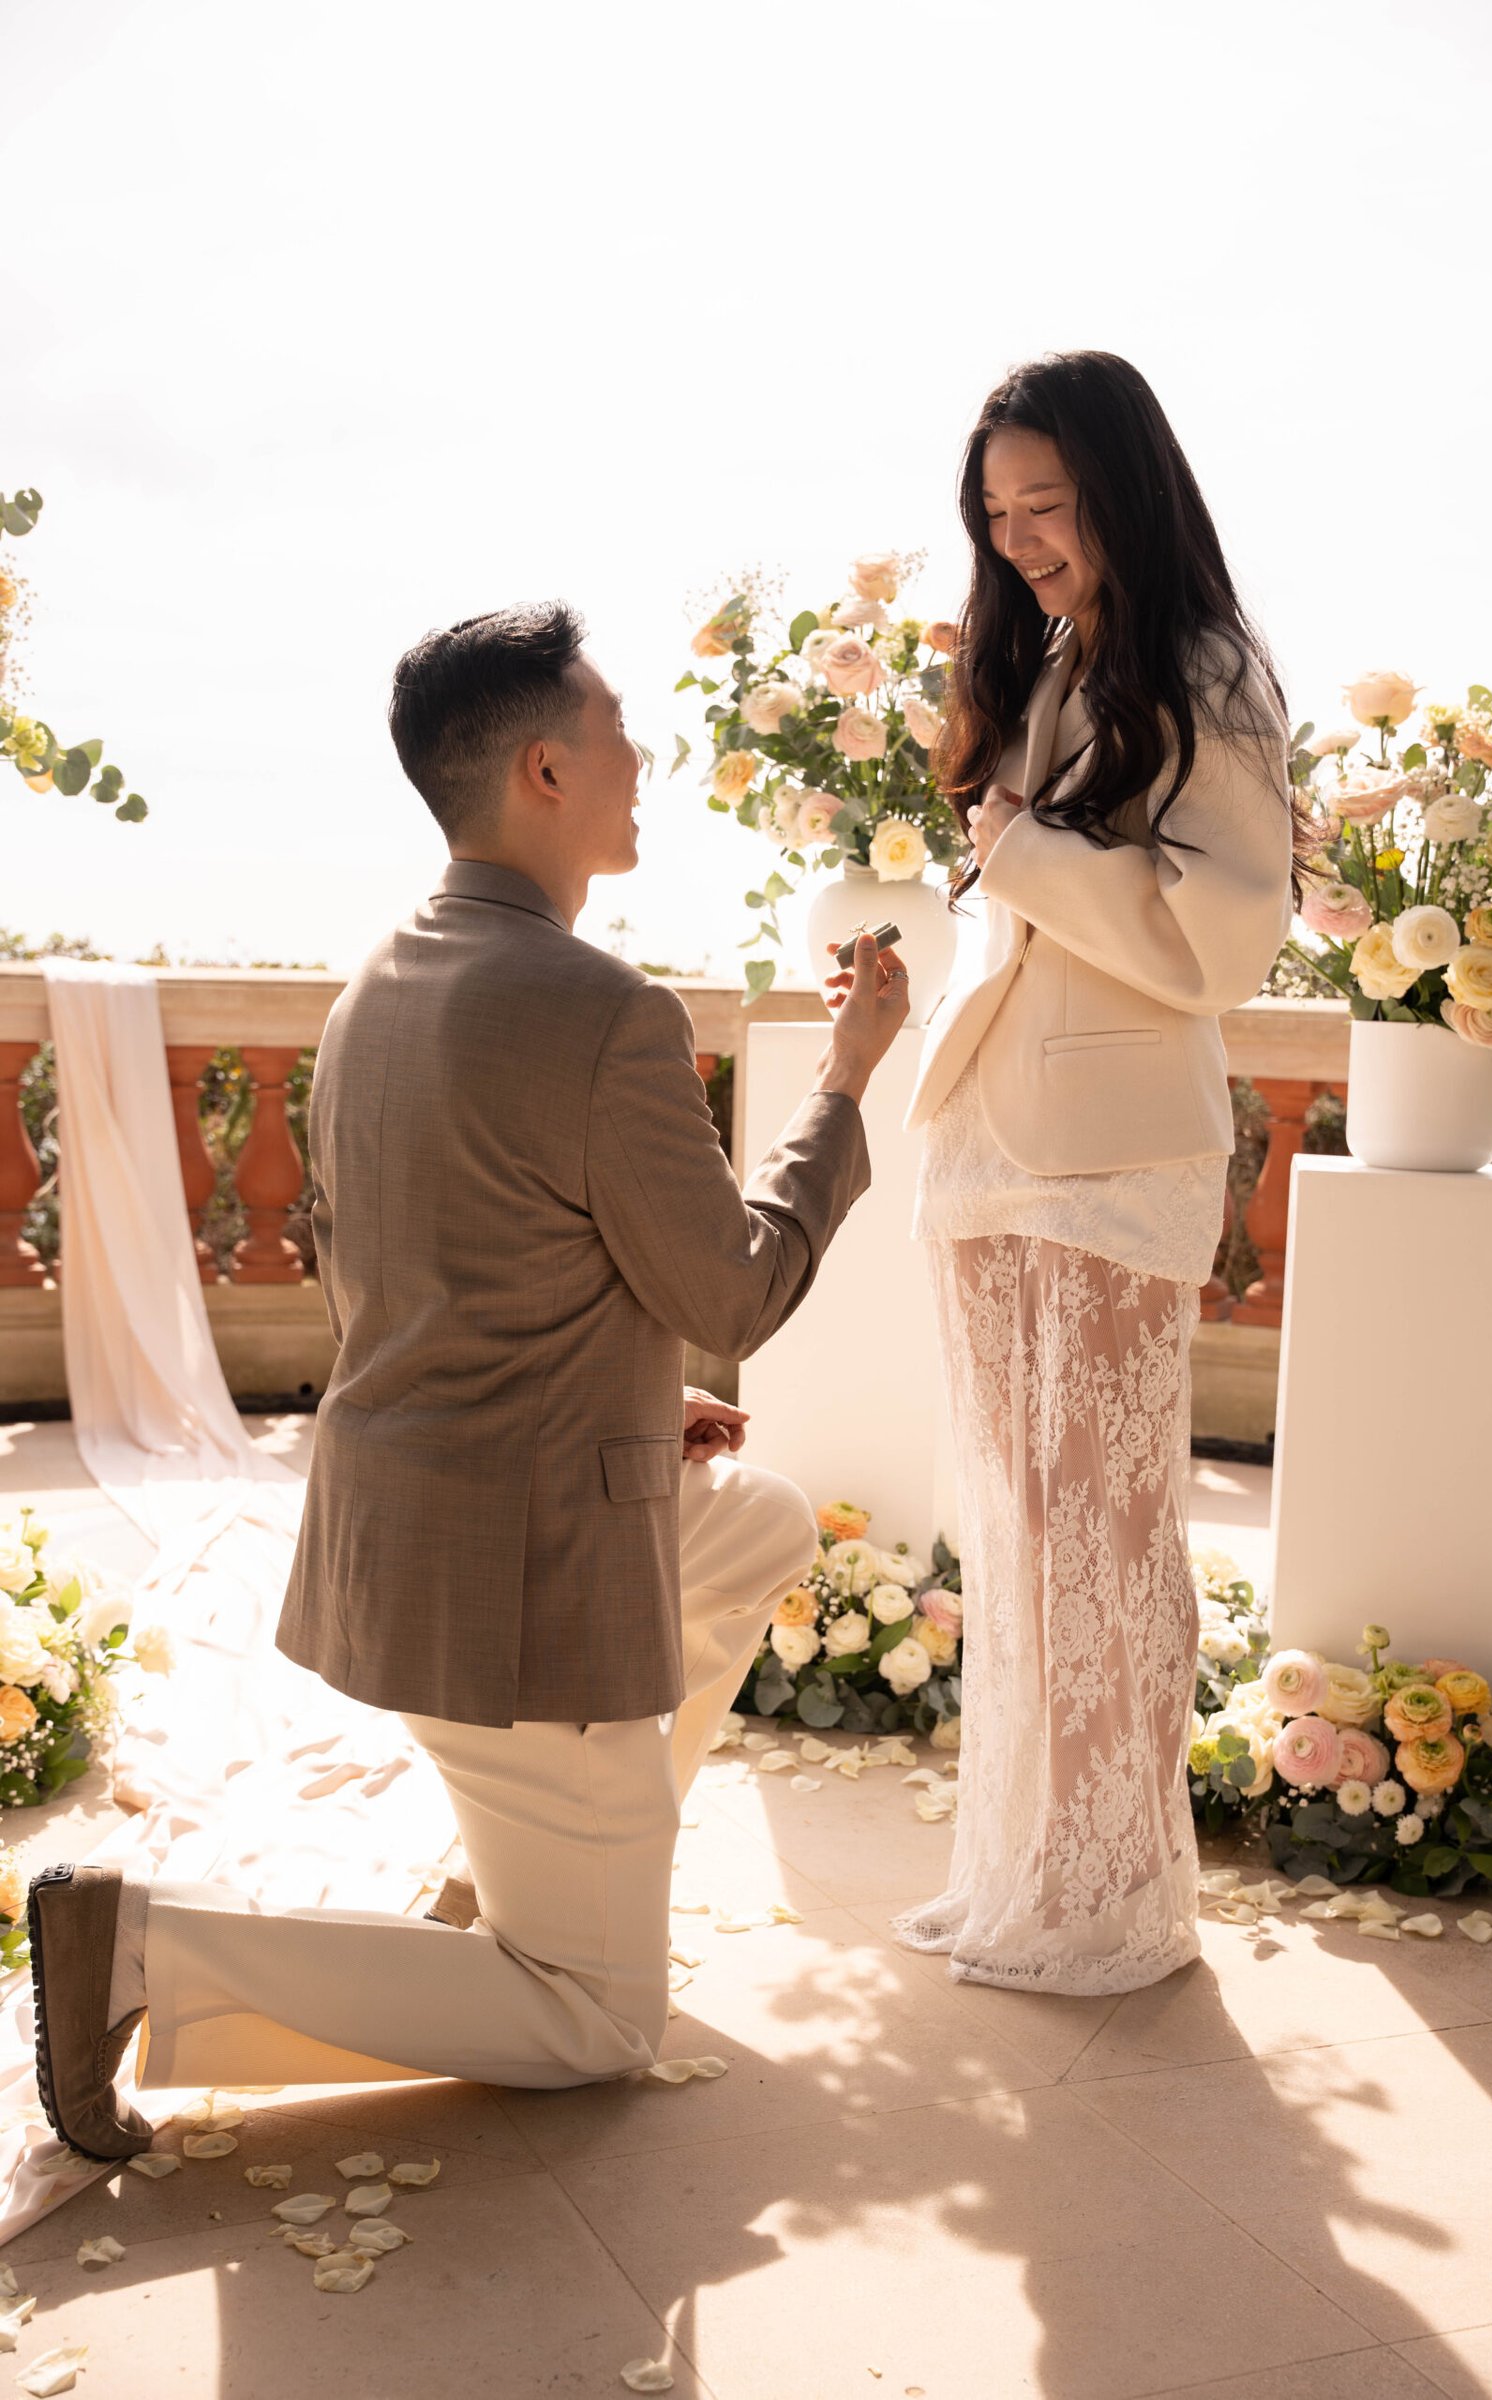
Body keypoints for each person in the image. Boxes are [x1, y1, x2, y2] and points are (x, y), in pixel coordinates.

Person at [29, 602, 909, 2158]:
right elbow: (736, 1290)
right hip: (517, 1584)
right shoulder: (602, 1011)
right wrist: (845, 1077)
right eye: (620, 729)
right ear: (545, 772)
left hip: (406, 1528)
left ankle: (558, 1847)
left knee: (758, 1516)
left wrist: (634, 1407)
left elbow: (447, 1279)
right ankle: (152, 1954)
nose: (648, 758)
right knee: (596, 2027)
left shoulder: (378, 981)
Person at [886, 351, 1315, 1996]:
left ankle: (1115, 1901)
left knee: (1107, 1533)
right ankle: (1024, 1873)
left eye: (1047, 508)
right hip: (993, 1132)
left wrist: (1025, 843)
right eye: (997, 516)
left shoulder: (1207, 668)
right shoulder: (1063, 656)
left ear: (1124, 488)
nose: (1020, 543)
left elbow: (1220, 938)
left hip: (1115, 1148)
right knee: (1020, 1526)